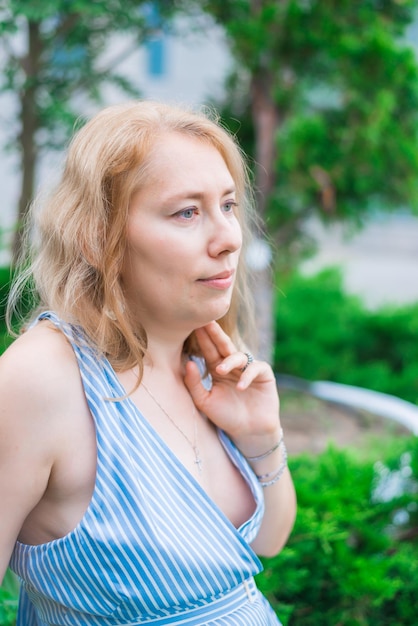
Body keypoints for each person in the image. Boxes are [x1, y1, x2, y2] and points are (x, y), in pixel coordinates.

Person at [0, 100, 297, 625]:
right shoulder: (40, 380)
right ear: (97, 238)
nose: (229, 238)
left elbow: (269, 541)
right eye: (187, 212)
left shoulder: (205, 362)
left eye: (228, 205)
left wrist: (261, 439)